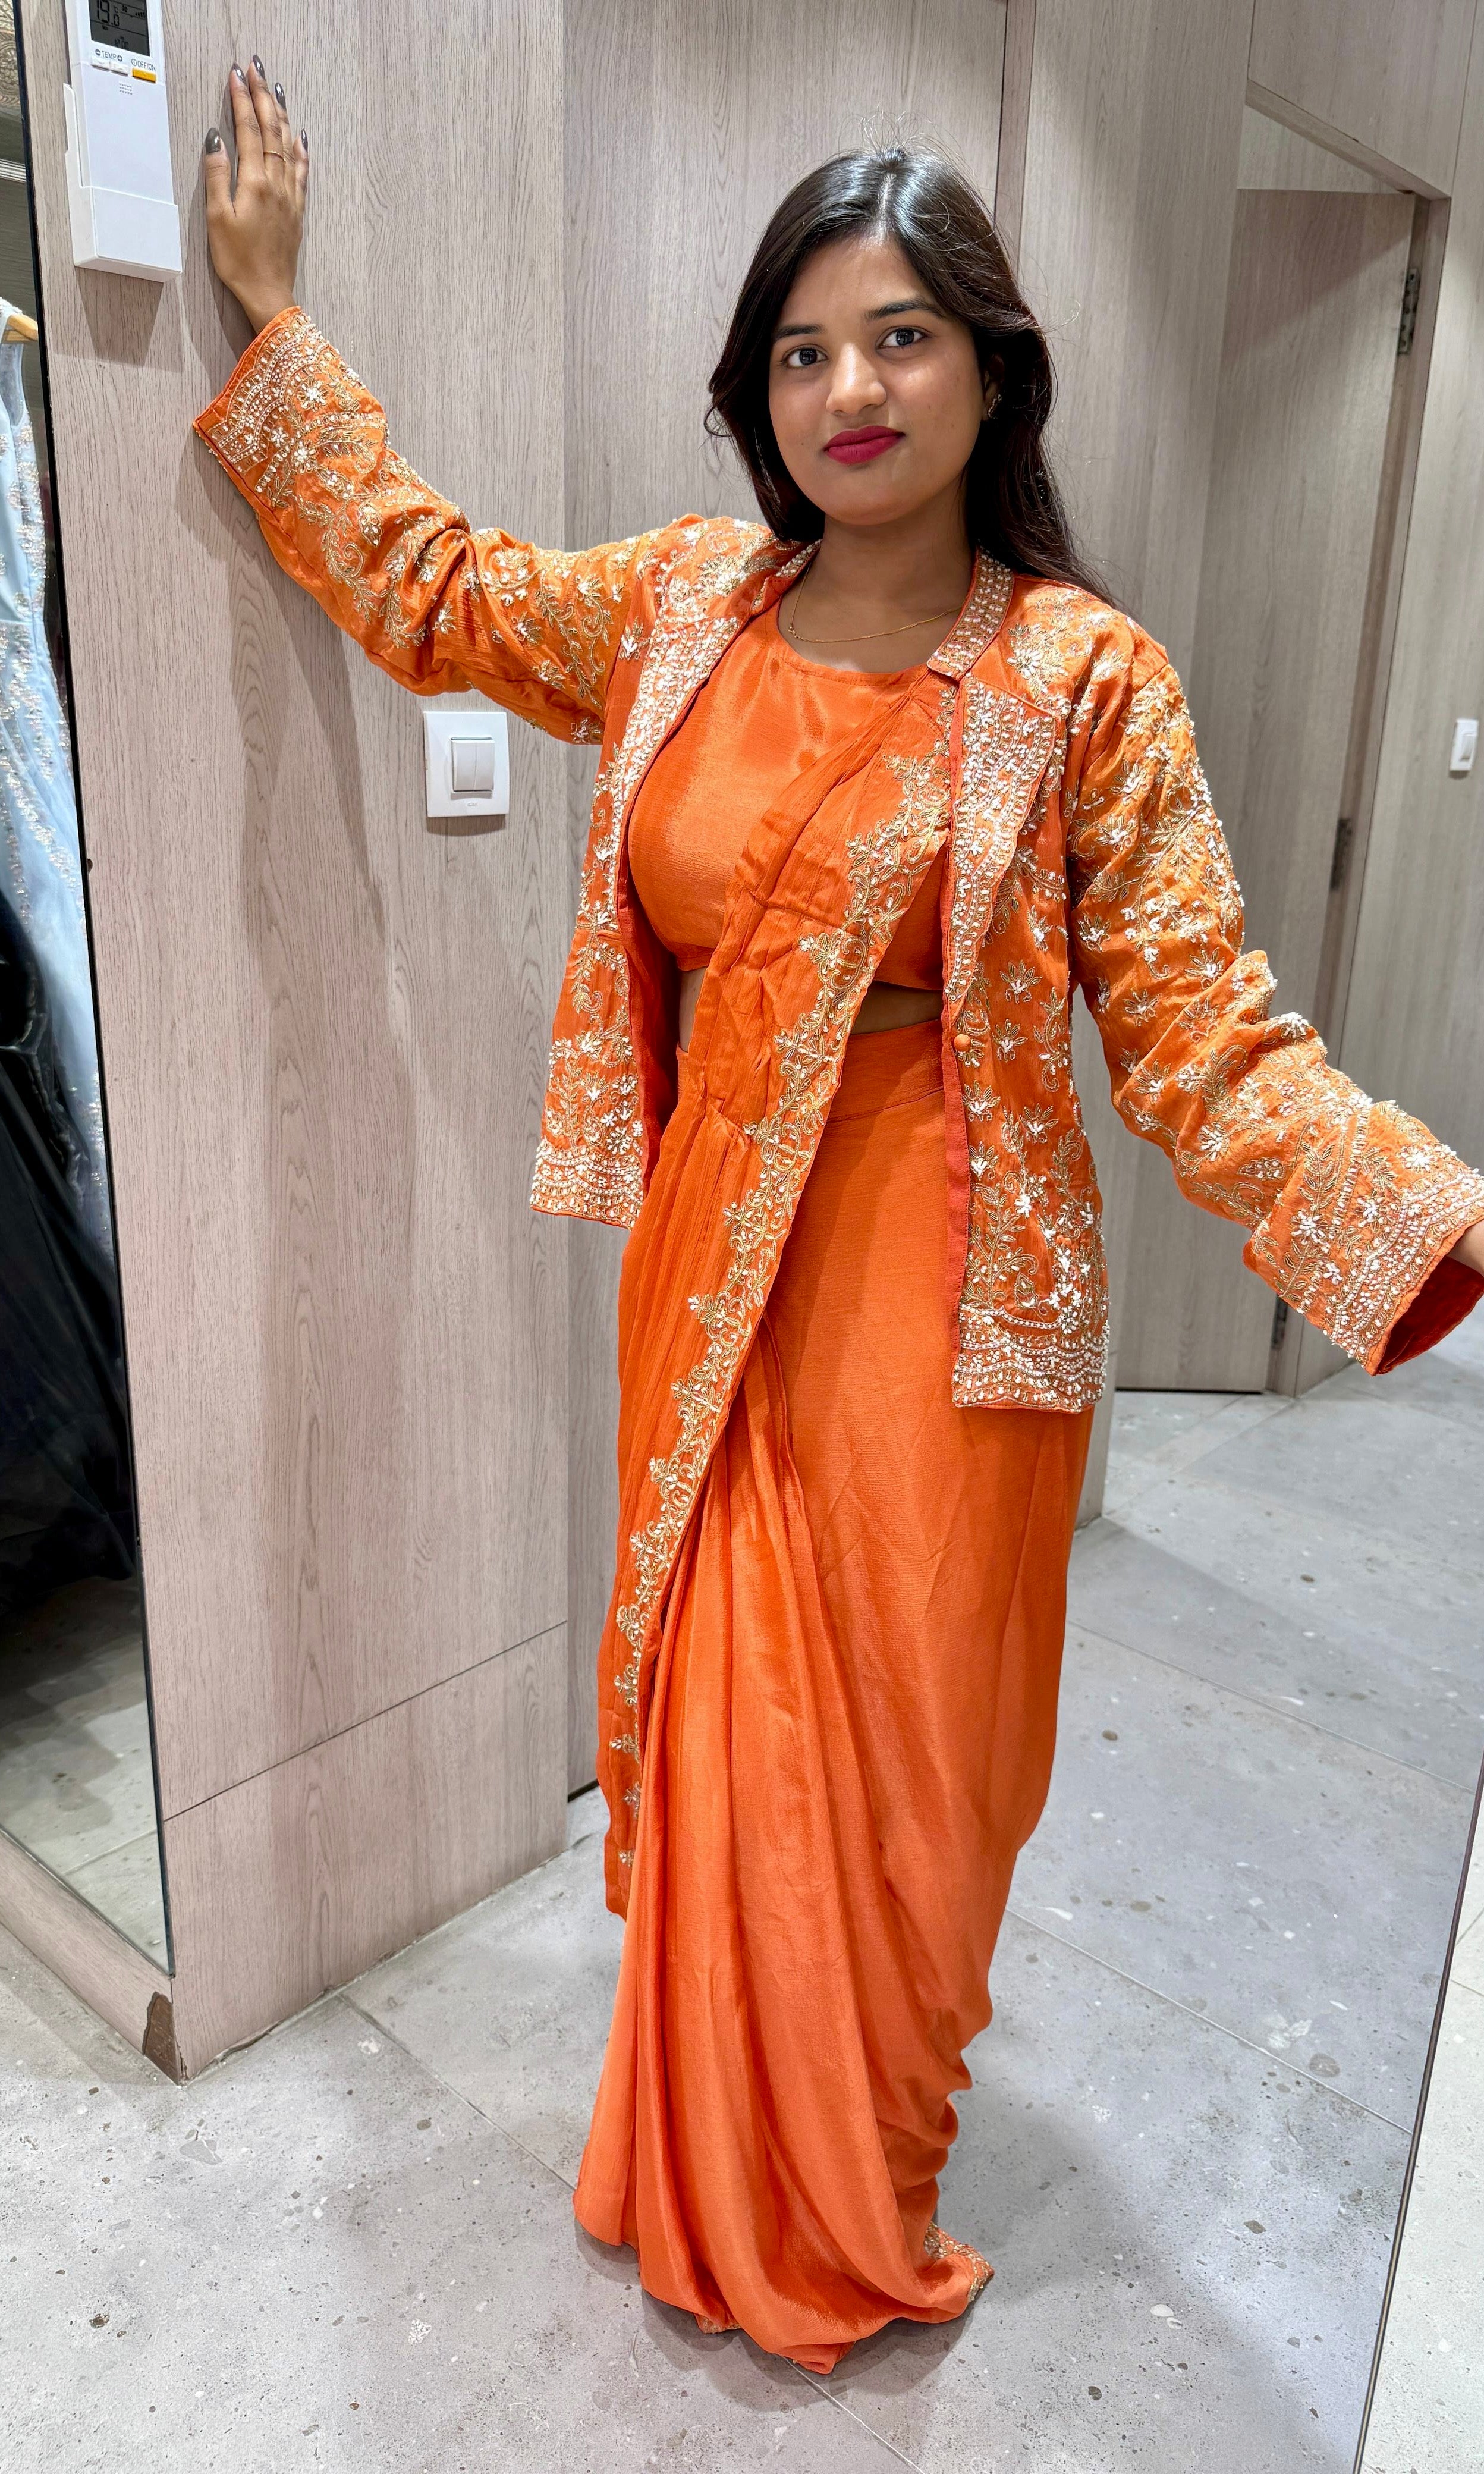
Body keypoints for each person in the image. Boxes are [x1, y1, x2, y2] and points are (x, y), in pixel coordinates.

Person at [197, 61, 1484, 2372]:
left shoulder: (1086, 682)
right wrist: (274, 320)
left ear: (991, 365)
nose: (847, 386)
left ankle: (852, 2176)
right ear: (754, 394)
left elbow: (1207, 1037)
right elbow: (437, 590)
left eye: (897, 333)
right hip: (714, 1269)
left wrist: (1424, 1225)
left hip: (949, 1297)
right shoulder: (683, 609)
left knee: (900, 1786)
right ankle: (700, 2151)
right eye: (800, 347)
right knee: (723, 1733)